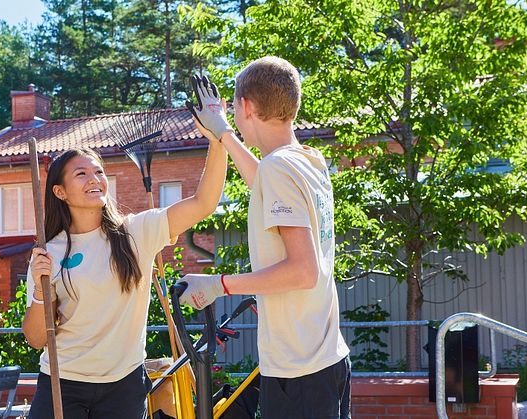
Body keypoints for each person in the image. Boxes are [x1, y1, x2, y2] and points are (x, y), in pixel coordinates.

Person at [179, 57, 351, 418]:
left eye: (236, 113)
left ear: (246, 106)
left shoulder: (278, 167)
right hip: (325, 361)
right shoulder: (308, 160)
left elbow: (305, 272)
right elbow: (266, 186)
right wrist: (224, 133)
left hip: (298, 371)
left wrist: (219, 284)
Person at [23, 141, 226, 419]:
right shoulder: (49, 254)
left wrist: (218, 139)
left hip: (123, 385)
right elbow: (36, 338)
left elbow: (204, 203)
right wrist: (39, 291)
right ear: (60, 192)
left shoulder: (136, 232)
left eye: (99, 172)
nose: (94, 179)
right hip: (62, 382)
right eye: (81, 174)